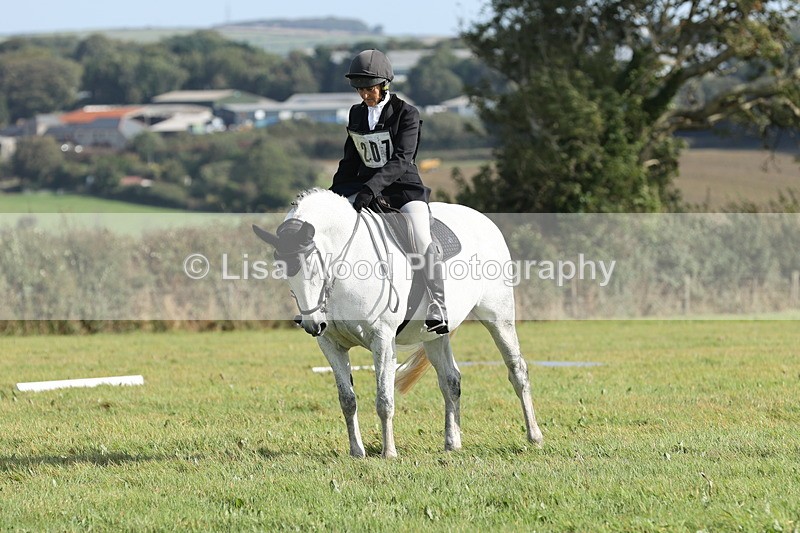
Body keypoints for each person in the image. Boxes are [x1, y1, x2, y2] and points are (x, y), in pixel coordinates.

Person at [330, 49, 448, 334]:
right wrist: (333, 196)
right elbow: (351, 159)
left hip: (403, 190)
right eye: (360, 89)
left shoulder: (407, 113)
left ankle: (438, 305)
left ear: (384, 85)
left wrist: (370, 188)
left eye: (369, 89)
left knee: (420, 236)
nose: (364, 95)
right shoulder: (357, 114)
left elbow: (401, 160)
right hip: (365, 189)